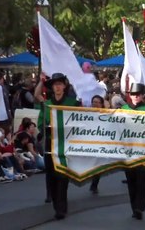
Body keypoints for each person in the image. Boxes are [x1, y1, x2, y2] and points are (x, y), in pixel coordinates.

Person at [37, 72, 80, 220]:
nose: (57, 87)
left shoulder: (73, 103)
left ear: (64, 86)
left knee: (62, 176)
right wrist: (42, 131)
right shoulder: (47, 104)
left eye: (60, 84)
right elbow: (41, 122)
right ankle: (56, 204)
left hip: (66, 144)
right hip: (51, 143)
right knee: (52, 176)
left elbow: (80, 121)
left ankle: (61, 209)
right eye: (55, 84)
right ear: (52, 87)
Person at [121, 83, 145, 220]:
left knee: (142, 179)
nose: (135, 96)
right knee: (131, 180)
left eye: (138, 94)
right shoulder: (123, 109)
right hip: (128, 150)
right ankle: (134, 207)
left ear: (142, 95)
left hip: (144, 150)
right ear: (129, 95)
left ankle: (140, 206)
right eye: (133, 94)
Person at [89, 95, 105, 194]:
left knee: (98, 165)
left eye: (97, 102)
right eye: (93, 102)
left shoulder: (105, 115)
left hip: (100, 143)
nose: (95, 104)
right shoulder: (87, 114)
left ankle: (94, 184)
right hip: (88, 142)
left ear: (101, 104)